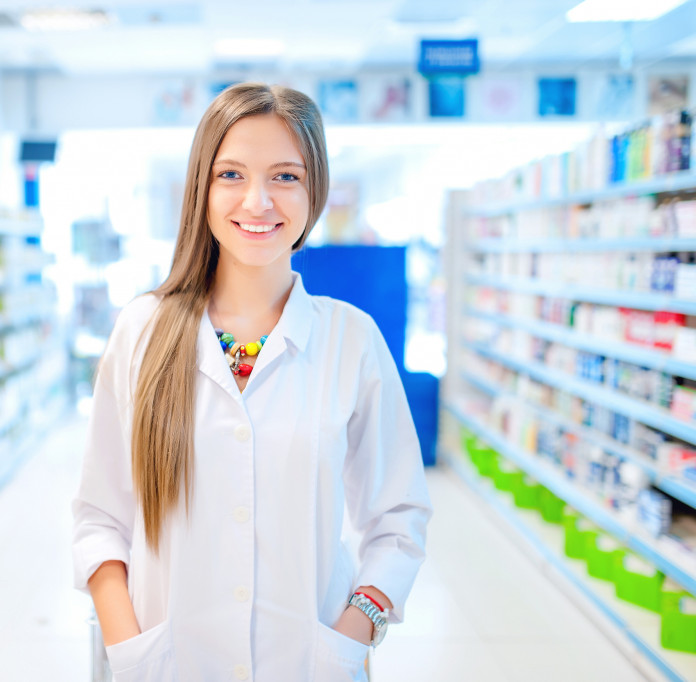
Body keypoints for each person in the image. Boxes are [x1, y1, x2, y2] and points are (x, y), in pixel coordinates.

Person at [72, 82, 432, 682]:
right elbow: (98, 519)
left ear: (314, 191)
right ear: (201, 191)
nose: (258, 200)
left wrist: (354, 633)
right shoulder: (141, 331)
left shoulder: (352, 339)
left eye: (286, 176)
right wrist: (130, 651)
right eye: (231, 175)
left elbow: (398, 517)